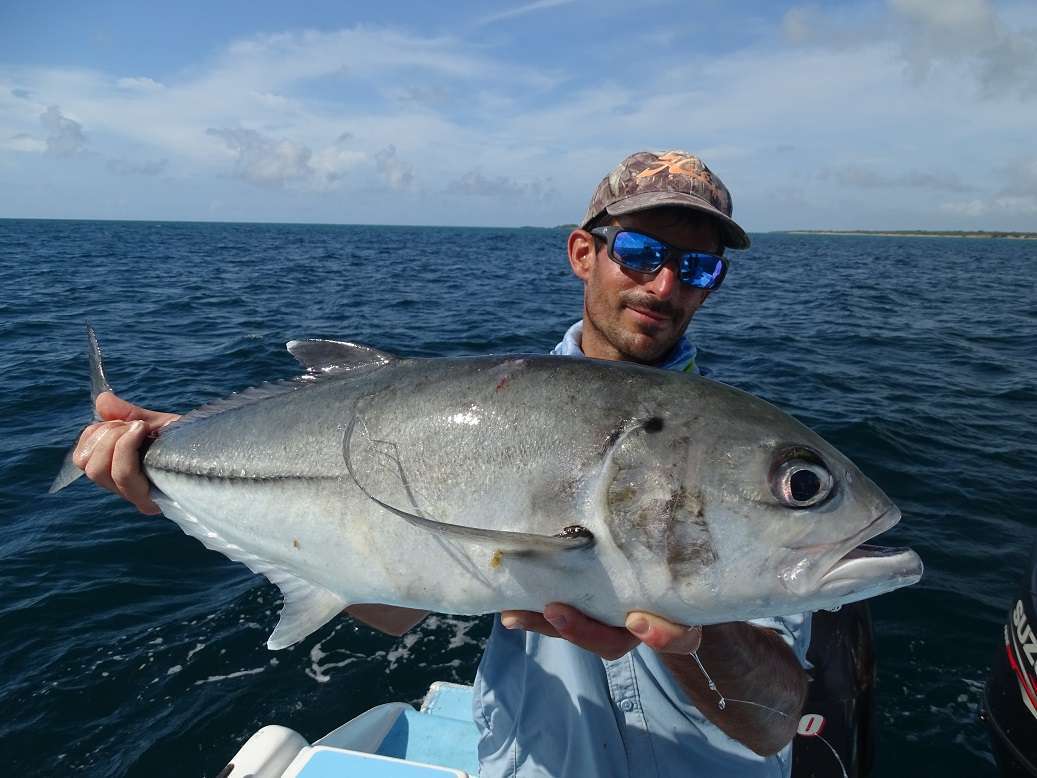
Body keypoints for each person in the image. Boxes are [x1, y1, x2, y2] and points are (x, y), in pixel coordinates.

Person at [71, 150, 810, 777]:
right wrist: (163, 480)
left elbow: (773, 720)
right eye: (641, 253)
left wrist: (698, 637)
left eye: (697, 267)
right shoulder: (467, 411)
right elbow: (392, 610)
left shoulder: (737, 455)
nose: (663, 285)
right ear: (583, 252)